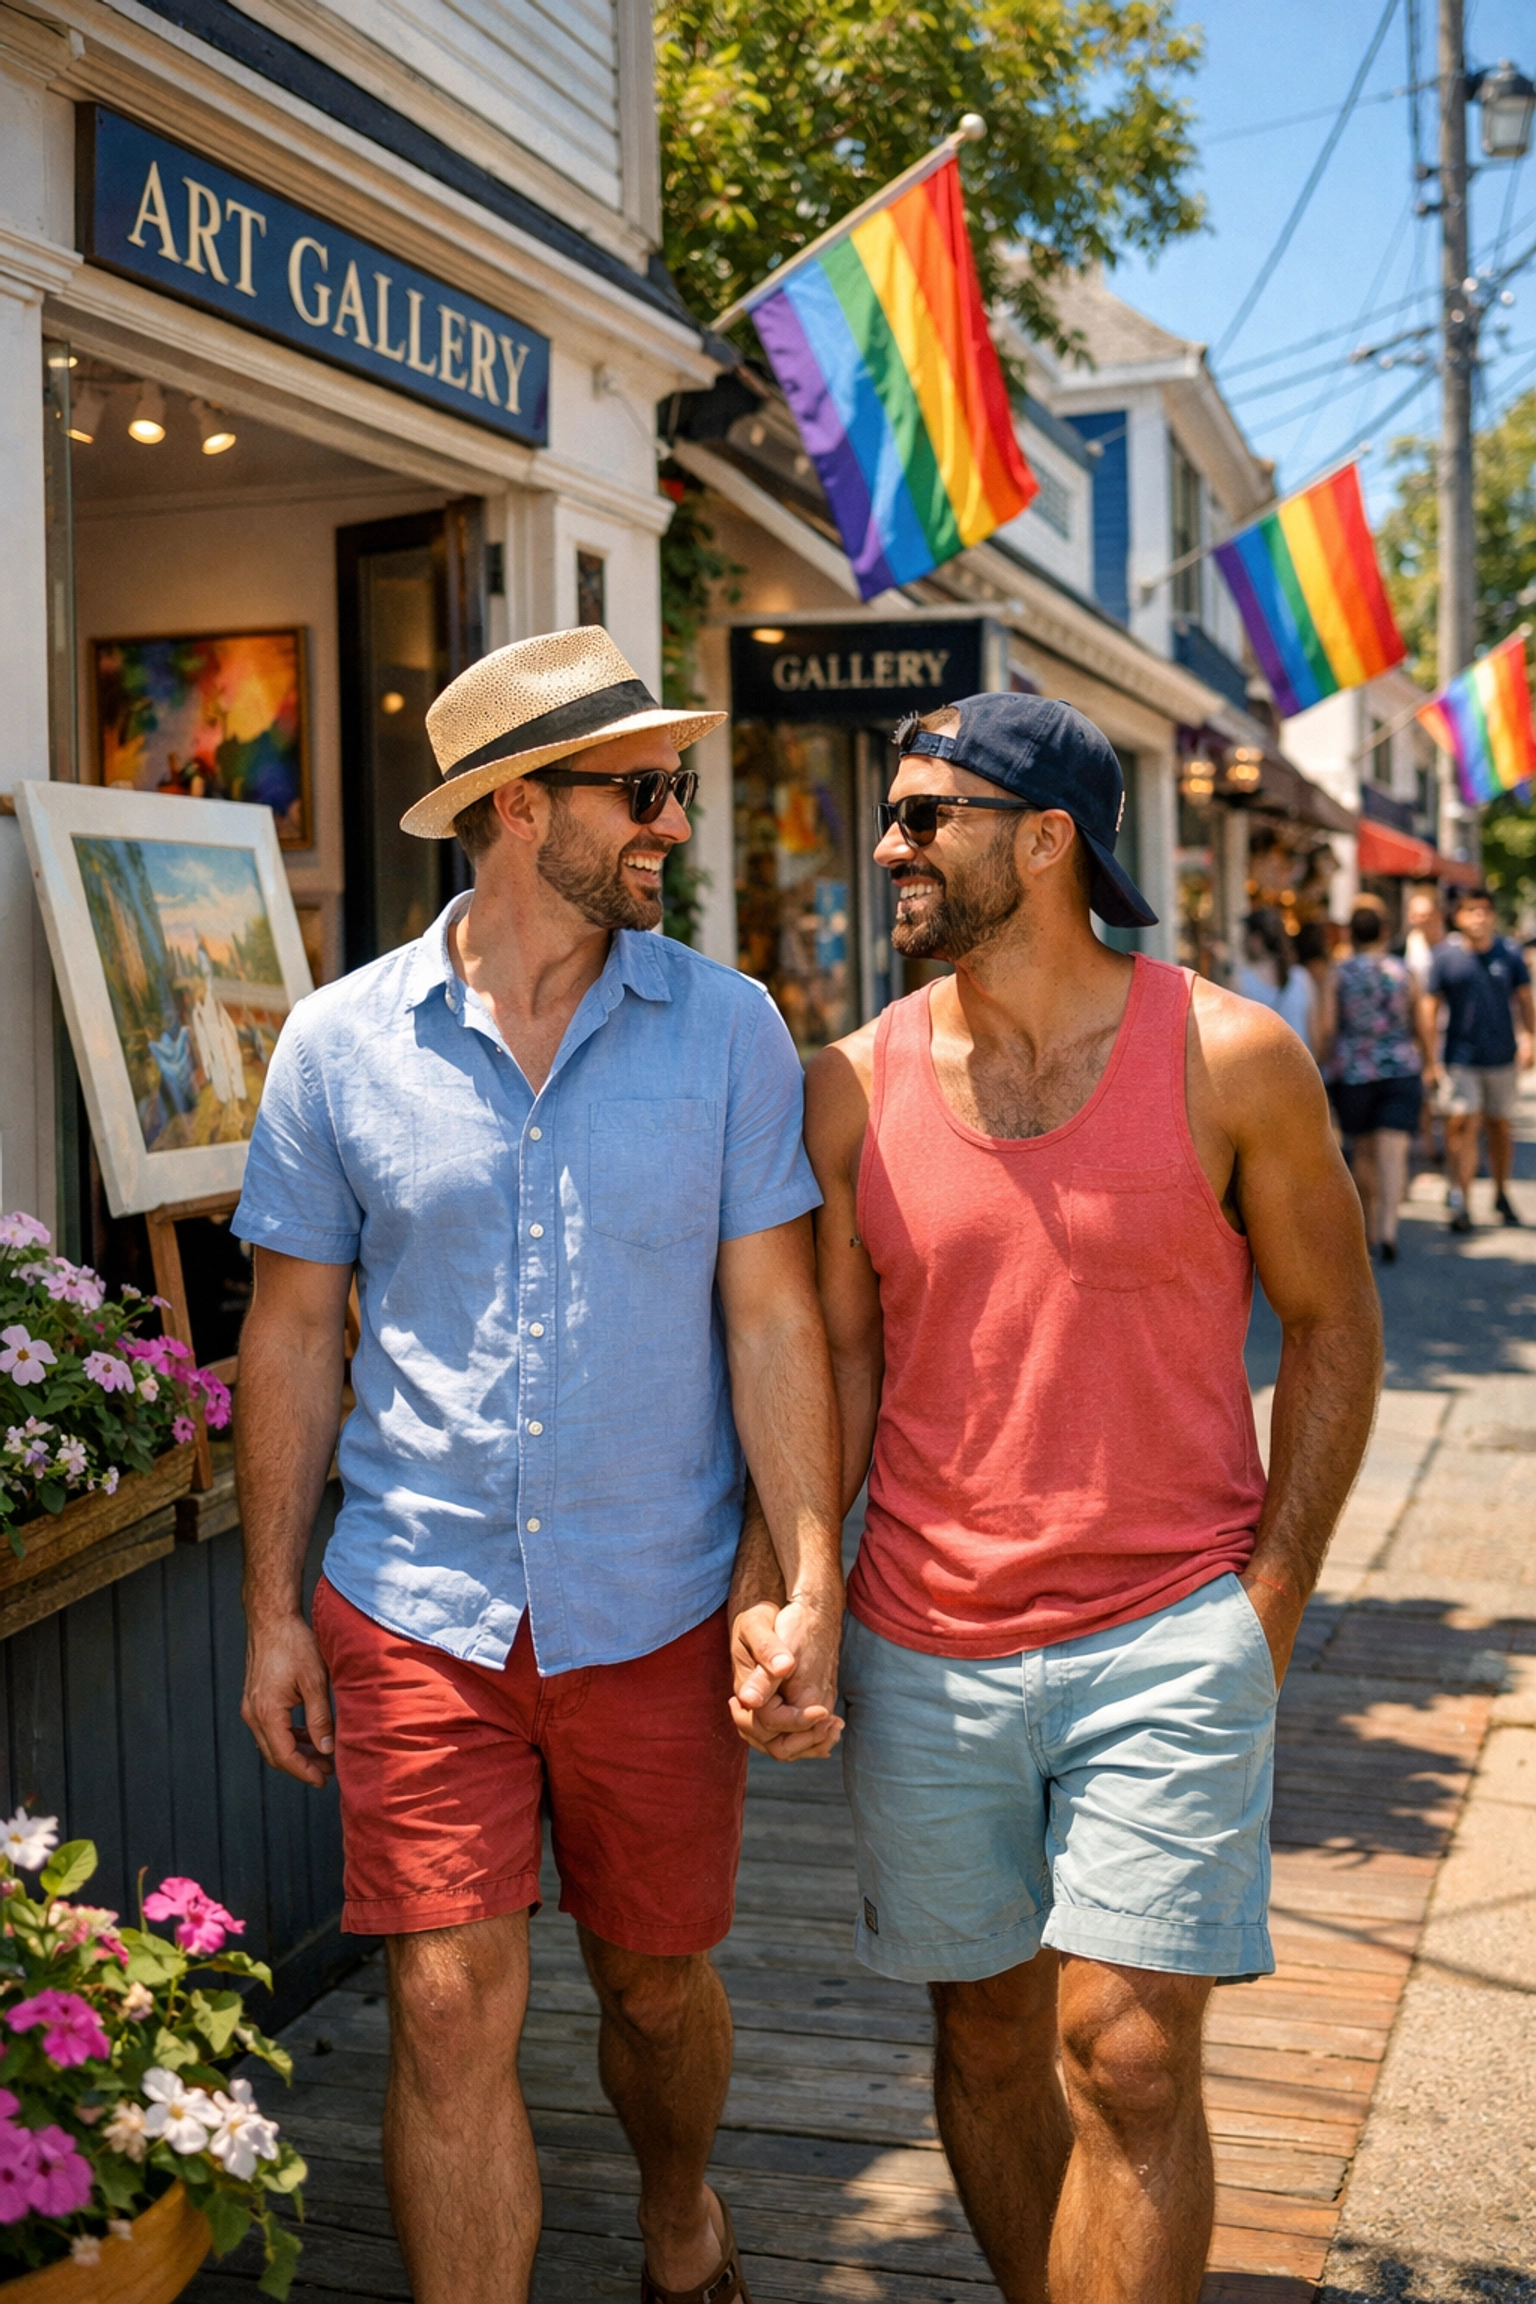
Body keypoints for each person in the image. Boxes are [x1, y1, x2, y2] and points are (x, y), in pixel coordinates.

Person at [232, 626, 846, 2304]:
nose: (675, 822)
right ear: (517, 805)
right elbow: (289, 1333)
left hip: (653, 1601)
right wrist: (273, 1607)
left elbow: (777, 1323)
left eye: (678, 787)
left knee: (653, 1984)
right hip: (417, 1597)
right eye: (643, 789)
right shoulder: (338, 1041)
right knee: (443, 1999)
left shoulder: (728, 1032)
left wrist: (806, 1579)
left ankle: (675, 2207)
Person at [786, 695, 1381, 2304]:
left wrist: (1270, 1601)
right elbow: (840, 1369)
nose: (890, 842)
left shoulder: (1232, 1057)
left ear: (1049, 841)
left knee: (1123, 2054)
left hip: (1170, 1631)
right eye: (892, 812)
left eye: (929, 817)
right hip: (924, 1637)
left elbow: (1336, 1325)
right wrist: (803, 1592)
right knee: (983, 2034)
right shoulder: (850, 1087)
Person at [1418, 885, 1534, 1231]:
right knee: (1462, 1123)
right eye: (1471, 911)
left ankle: (1500, 1190)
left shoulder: (1509, 954)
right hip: (1460, 1056)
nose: (1479, 918)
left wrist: (1529, 1035)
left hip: (1501, 1056)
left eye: (1484, 911)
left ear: (1492, 915)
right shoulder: (1445, 957)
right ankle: (1460, 1198)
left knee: (1499, 1125)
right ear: (1459, 916)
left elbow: (1525, 999)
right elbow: (1428, 1006)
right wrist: (1429, 1058)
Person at [1327, 905, 1426, 1264]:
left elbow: (1326, 1026)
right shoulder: (1402, 971)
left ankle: (1367, 1230)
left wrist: (1325, 1059)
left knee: (1363, 1153)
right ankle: (1388, 1229)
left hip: (1354, 1071)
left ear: (1351, 935)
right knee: (1394, 1153)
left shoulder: (1340, 973)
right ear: (1384, 932)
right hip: (1400, 1066)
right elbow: (1420, 1018)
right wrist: (1429, 1062)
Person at [1235, 906, 1315, 1048]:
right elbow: (1316, 1037)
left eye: (1244, 937)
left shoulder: (1240, 982)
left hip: (1260, 1068)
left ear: (1256, 940)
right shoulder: (1302, 978)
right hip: (1300, 1067)